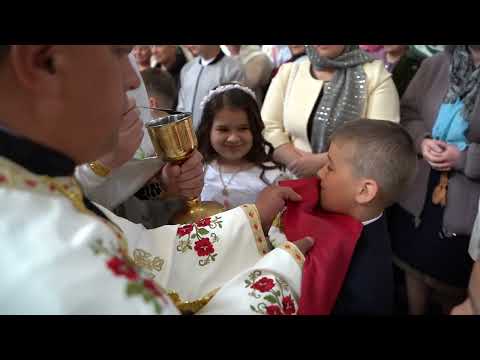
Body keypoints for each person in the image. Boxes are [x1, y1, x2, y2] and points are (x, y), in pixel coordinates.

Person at [0, 45, 315, 315]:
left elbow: (142, 251)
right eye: (119, 52)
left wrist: (251, 221)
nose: (131, 79)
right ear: (41, 61)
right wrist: (280, 277)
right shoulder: (46, 262)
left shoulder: (30, 185)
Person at [268, 119, 417, 314]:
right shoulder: (342, 213)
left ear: (364, 191)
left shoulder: (365, 285)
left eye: (329, 167)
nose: (320, 173)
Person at [388, 45, 480, 315]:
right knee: (412, 265)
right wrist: (422, 141)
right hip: (420, 191)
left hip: (468, 205)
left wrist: (464, 159)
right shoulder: (436, 64)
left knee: (453, 283)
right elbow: (408, 114)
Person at [262, 45, 400, 179]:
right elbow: (267, 126)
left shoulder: (376, 75)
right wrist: (296, 162)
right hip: (293, 181)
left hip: (348, 185)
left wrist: (321, 163)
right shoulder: (290, 71)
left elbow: (380, 142)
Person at [198, 83, 285, 210]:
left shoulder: (271, 177)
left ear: (254, 130)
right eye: (223, 129)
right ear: (208, 130)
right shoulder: (200, 170)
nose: (233, 138)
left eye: (243, 128)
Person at [176, 45, 246, 129]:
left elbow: (234, 112)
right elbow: (181, 108)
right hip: (188, 137)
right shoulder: (187, 69)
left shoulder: (233, 69)